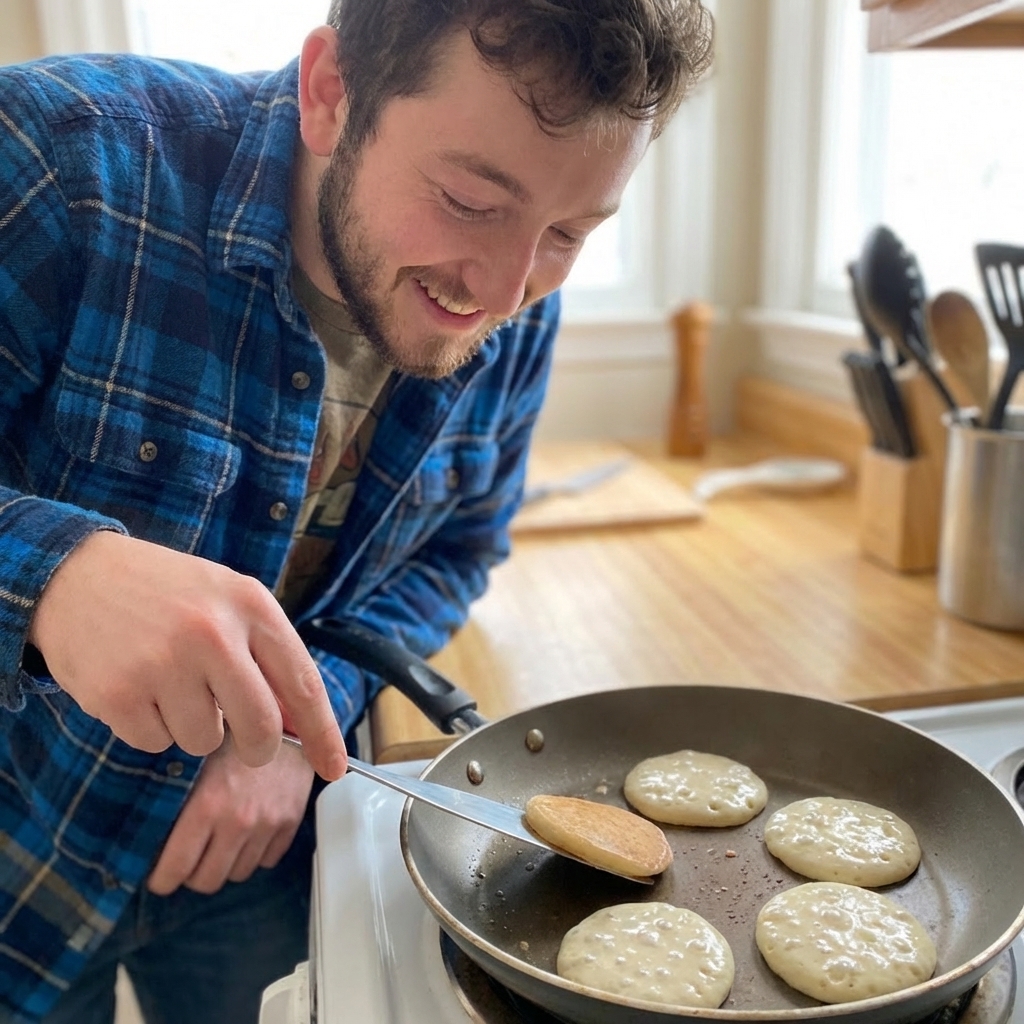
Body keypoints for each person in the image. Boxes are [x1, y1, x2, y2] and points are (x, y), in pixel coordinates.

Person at [0, 0, 714, 1020]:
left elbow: (458, 548)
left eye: (568, 232)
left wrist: (303, 721)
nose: (505, 291)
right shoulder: (60, 161)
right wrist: (53, 577)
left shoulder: (512, 299)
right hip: (24, 838)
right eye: (471, 199)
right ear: (331, 90)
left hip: (265, 847)